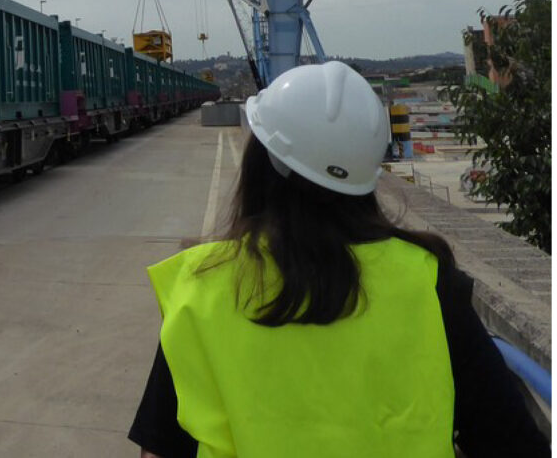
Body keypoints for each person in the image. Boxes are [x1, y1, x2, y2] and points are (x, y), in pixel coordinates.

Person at [128, 60, 548, 458]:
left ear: (263, 164)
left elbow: (160, 450)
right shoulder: (430, 286)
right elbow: (512, 444)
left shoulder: (200, 291)